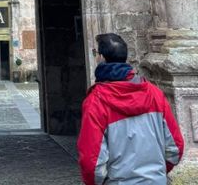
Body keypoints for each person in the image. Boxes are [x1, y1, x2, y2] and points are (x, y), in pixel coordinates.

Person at [77, 33, 184, 184]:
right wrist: (155, 174)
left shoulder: (96, 101)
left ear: (101, 57)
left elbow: (91, 162)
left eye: (95, 53)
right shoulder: (154, 94)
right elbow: (175, 148)